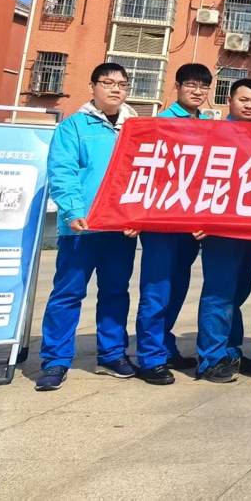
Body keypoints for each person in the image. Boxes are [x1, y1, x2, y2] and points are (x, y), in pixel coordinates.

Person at [35, 63, 140, 390]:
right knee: (68, 293)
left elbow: (144, 176)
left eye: (121, 84)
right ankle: (55, 360)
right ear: (92, 86)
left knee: (115, 292)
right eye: (107, 82)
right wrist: (73, 210)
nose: (115, 89)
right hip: (81, 227)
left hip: (120, 229)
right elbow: (62, 171)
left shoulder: (136, 128)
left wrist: (137, 216)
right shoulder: (74, 127)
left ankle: (112, 354)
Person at [134, 62, 213, 385]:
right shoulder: (160, 124)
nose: (197, 91)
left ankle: (165, 347)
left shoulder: (211, 128)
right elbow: (145, 174)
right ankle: (149, 357)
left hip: (191, 226)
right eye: (190, 85)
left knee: (178, 288)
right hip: (161, 224)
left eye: (203, 87)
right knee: (156, 290)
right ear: (177, 87)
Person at [195, 78, 251, 383]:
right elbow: (197, 178)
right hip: (220, 229)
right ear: (229, 100)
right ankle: (210, 358)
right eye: (243, 100)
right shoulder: (213, 134)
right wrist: (198, 219)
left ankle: (230, 350)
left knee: (238, 292)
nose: (249, 106)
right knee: (219, 292)